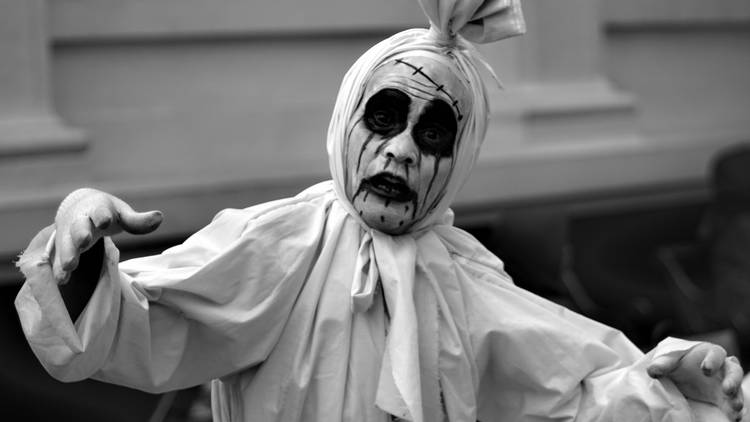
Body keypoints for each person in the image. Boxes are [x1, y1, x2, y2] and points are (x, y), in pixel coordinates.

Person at [14, 0, 746, 421]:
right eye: (384, 117)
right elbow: (141, 328)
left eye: (432, 133)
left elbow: (572, 392)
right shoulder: (278, 247)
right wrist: (81, 260)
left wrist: (684, 393)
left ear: (456, 160)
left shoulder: (467, 285)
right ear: (347, 125)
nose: (399, 152)